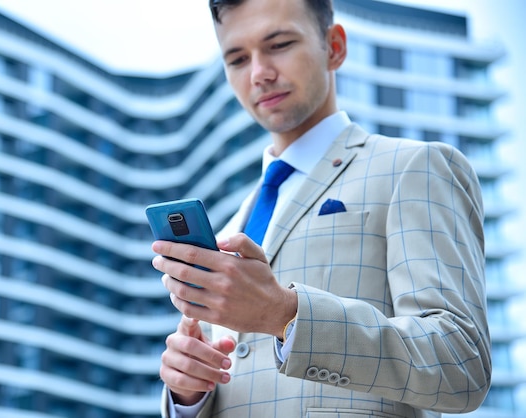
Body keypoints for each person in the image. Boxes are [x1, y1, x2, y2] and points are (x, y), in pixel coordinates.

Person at [150, 0, 491, 416]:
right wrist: (188, 393)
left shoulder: (413, 168)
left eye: (278, 44)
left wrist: (285, 315)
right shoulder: (232, 224)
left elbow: (461, 364)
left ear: (334, 46)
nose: (259, 73)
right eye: (238, 58)